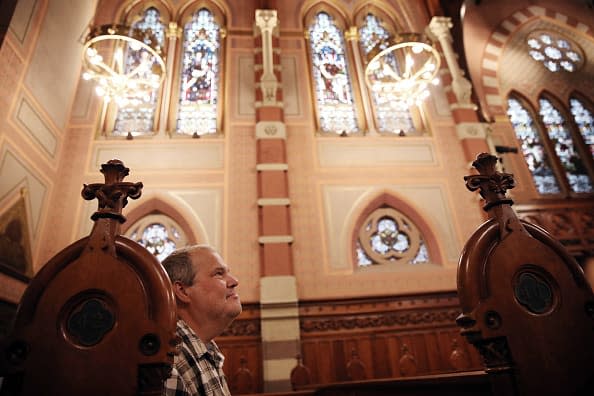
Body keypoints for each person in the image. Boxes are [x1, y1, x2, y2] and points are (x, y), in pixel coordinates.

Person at [162, 245, 242, 396]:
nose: (234, 281)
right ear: (182, 291)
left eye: (228, 273)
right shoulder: (170, 364)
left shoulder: (206, 348)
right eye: (219, 274)